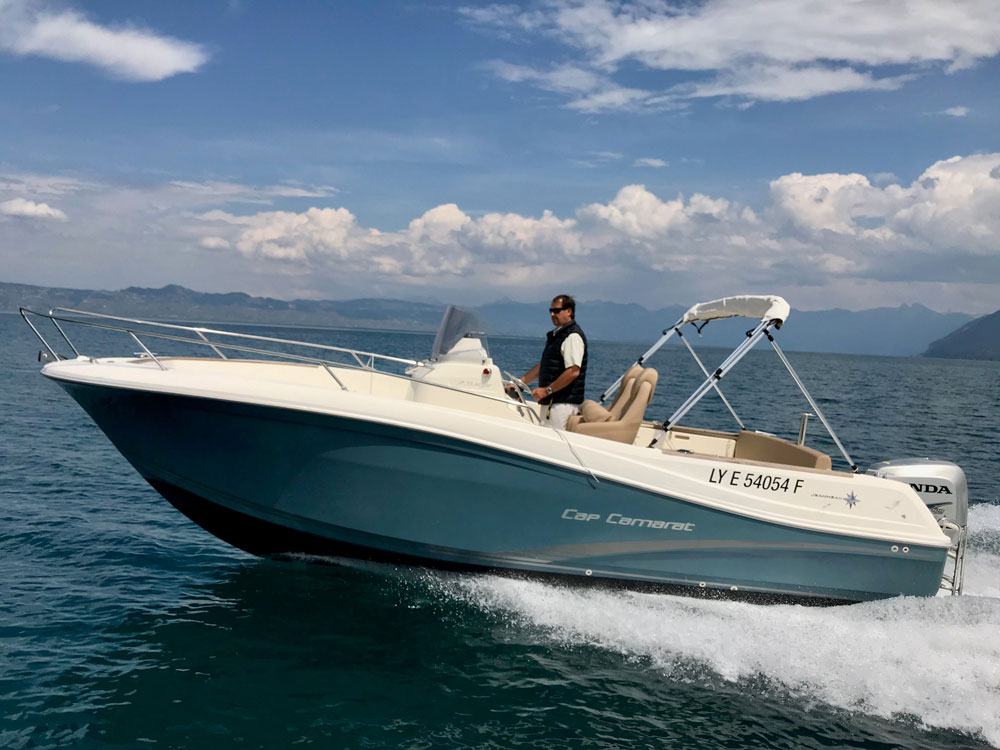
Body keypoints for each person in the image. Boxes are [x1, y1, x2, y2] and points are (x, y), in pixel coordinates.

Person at [518, 294, 588, 430]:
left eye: (556, 311)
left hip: (562, 405)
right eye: (550, 311)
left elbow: (573, 371)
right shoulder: (557, 336)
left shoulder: (572, 336)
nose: (552, 314)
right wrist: (519, 384)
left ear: (569, 311)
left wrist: (546, 391)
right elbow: (543, 366)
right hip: (552, 402)